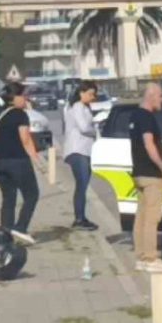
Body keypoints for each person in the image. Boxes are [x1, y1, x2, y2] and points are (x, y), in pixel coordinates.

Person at [0, 82, 44, 245]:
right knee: (31, 195)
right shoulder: (20, 115)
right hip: (18, 161)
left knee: (8, 197)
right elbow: (26, 140)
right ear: (15, 97)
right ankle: (20, 228)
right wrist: (38, 161)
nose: (26, 98)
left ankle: (5, 235)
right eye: (23, 95)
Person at [129, 83, 162, 270]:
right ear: (151, 96)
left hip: (139, 172)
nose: (161, 100)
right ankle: (150, 257)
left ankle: (140, 256)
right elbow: (149, 144)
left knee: (141, 215)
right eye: (160, 96)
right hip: (151, 174)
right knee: (152, 217)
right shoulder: (146, 118)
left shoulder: (135, 116)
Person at [63, 80, 99, 231]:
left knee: (83, 186)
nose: (93, 97)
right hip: (77, 150)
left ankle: (82, 217)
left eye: (94, 94)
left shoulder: (85, 107)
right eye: (90, 94)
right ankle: (78, 219)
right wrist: (96, 130)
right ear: (81, 93)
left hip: (84, 150)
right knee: (81, 185)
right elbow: (84, 128)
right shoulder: (77, 107)